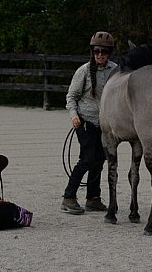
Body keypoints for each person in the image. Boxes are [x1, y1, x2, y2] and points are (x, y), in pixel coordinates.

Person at [61, 31, 117, 214]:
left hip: (105, 125)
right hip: (85, 121)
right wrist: (74, 115)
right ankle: (69, 197)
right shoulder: (83, 71)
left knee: (100, 160)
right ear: (92, 52)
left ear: (109, 53)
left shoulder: (115, 70)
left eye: (104, 52)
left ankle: (93, 198)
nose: (100, 55)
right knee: (87, 159)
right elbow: (72, 96)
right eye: (97, 51)